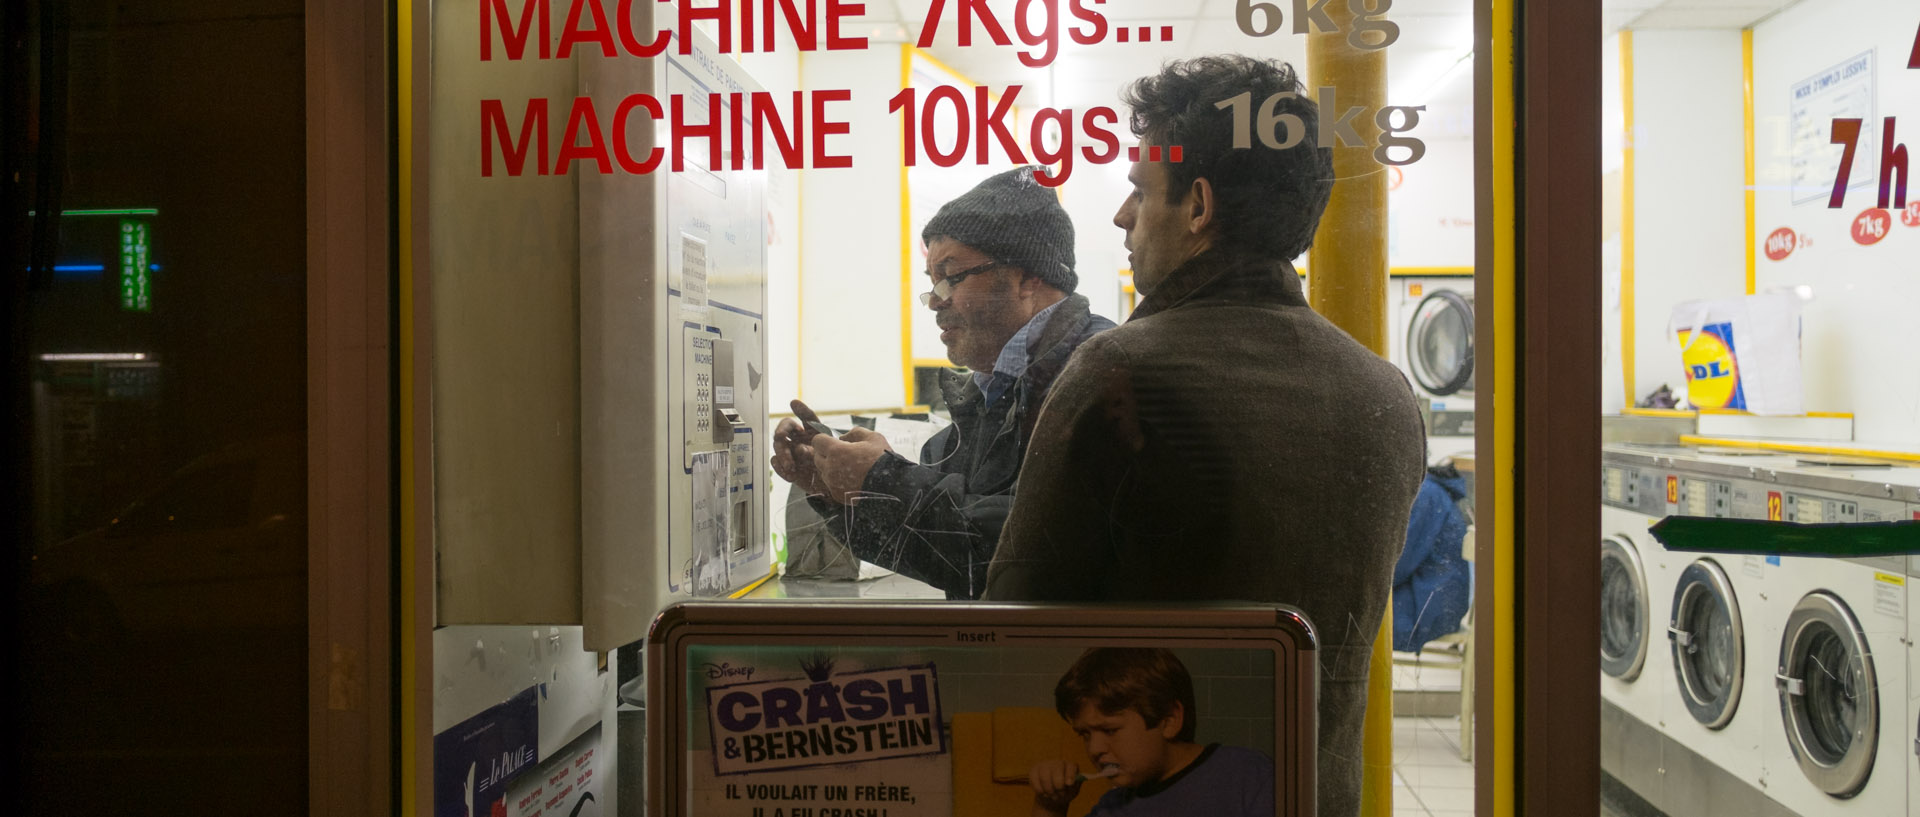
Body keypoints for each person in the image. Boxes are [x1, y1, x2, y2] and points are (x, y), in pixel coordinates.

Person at [984, 56, 1426, 817]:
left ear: (1198, 206)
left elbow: (1017, 623)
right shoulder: (1385, 394)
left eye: (1139, 189)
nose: (1123, 216)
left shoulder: (1119, 371)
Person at [770, 166, 1117, 600]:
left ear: (1029, 276)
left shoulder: (1100, 373)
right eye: (932, 281)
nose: (935, 300)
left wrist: (882, 479)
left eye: (951, 276)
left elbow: (1031, 555)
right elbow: (955, 560)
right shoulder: (992, 395)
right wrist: (839, 489)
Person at [1028, 648, 1273, 817]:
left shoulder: (1248, 776)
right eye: (1085, 734)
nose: (1094, 749)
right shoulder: (1112, 808)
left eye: (1109, 730)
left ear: (1169, 720)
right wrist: (1050, 807)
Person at [1392, 463, 1473, 653]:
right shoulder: (1432, 491)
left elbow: (1399, 564)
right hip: (1438, 604)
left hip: (1426, 610)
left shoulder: (1427, 495)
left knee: (1351, 623)